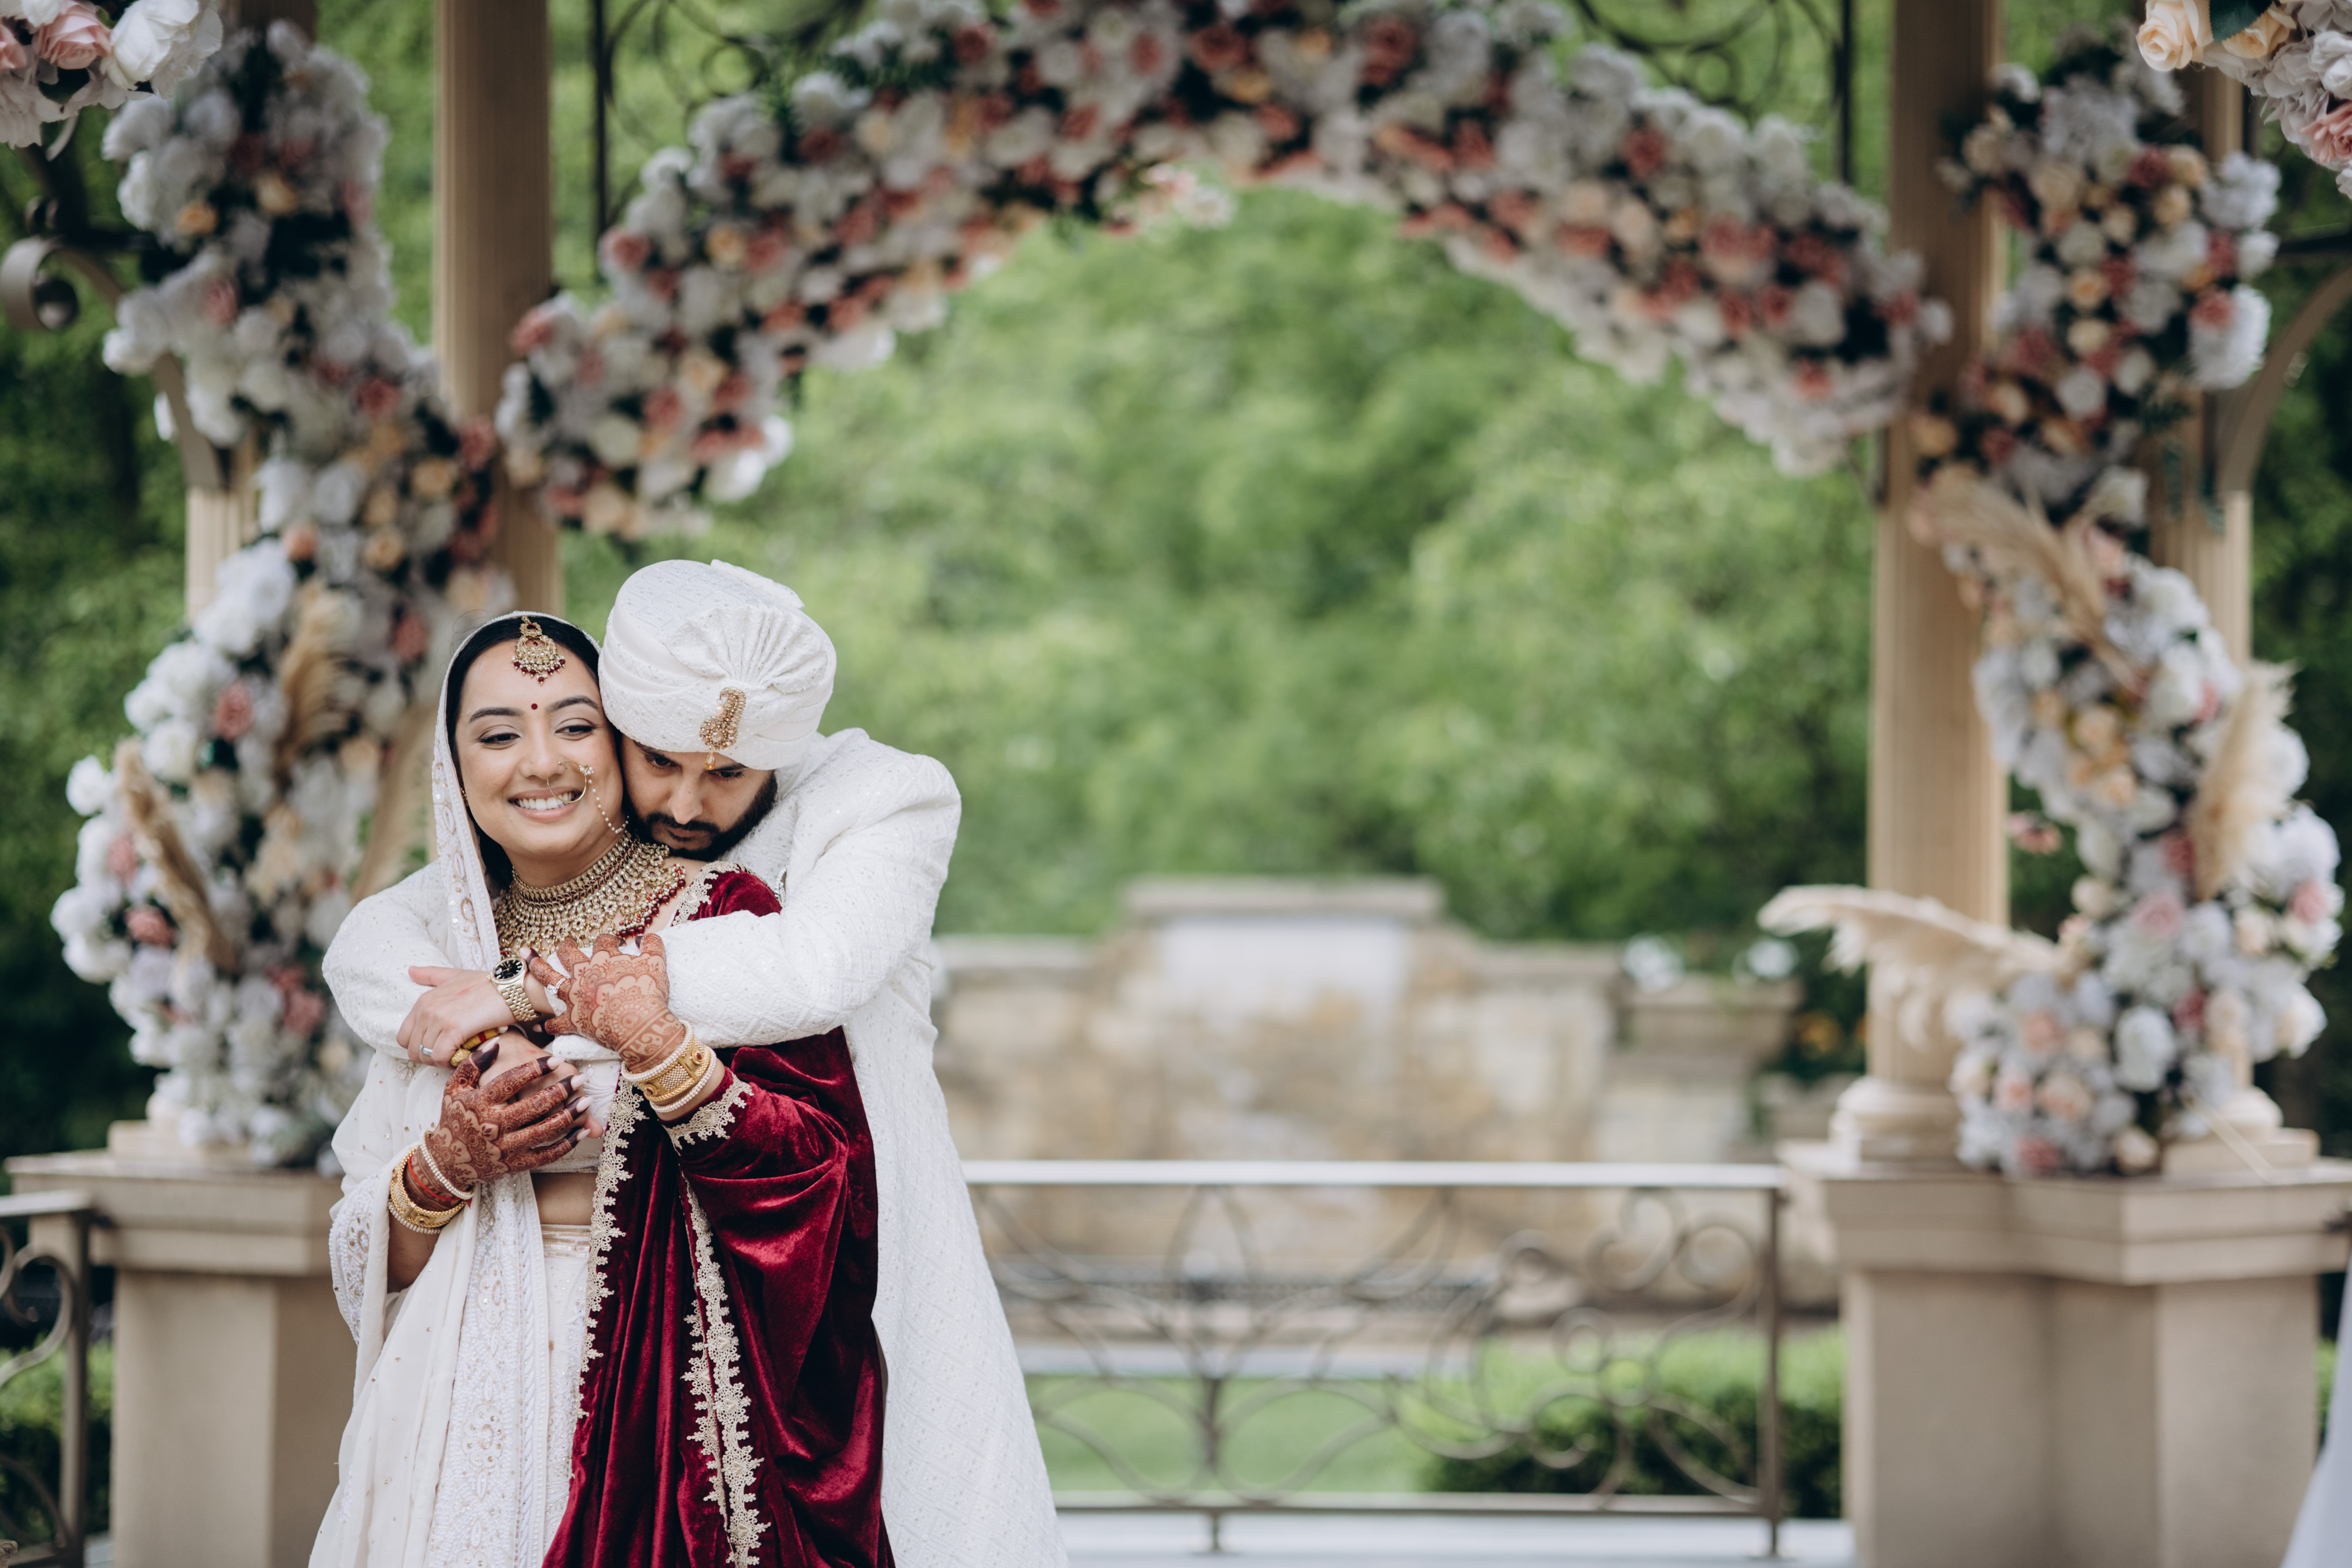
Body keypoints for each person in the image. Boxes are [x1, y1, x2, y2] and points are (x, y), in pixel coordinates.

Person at [321, 564, 1061, 1567]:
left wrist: (549, 997)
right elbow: (362, 1242)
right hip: (451, 1404)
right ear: (451, 769)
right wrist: (447, 1160)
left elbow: (812, 984)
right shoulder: (440, 942)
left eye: (574, 725)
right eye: (497, 735)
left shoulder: (748, 897)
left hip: (685, 1393)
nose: (685, 799)